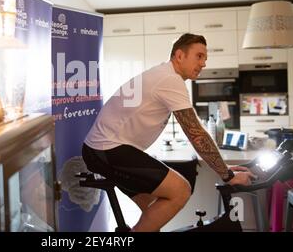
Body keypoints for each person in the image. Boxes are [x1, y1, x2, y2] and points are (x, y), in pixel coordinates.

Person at [82, 33, 256, 232]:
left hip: (100, 149)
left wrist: (224, 167)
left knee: (154, 208)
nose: (203, 63)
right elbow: (196, 134)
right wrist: (226, 175)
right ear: (179, 55)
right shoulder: (169, 79)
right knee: (181, 190)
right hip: (107, 149)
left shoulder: (163, 75)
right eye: (199, 56)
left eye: (205, 58)